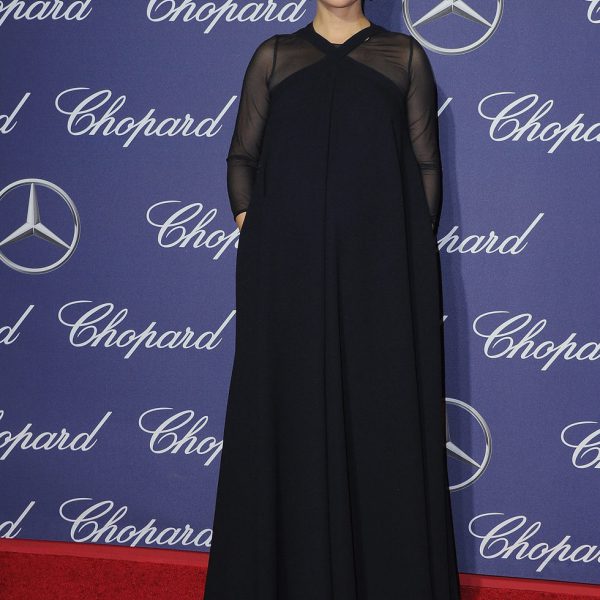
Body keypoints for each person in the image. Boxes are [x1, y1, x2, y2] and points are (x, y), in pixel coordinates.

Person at [203, 1, 462, 598]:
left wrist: (403, 252)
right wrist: (256, 227)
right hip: (285, 280)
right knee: (286, 412)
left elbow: (426, 166)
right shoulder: (274, 57)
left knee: (381, 417)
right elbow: (242, 157)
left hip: (380, 282)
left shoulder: (404, 57)